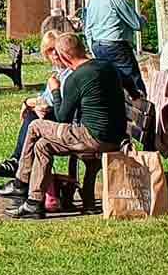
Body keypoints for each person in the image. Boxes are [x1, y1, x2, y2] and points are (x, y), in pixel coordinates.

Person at [9, 30, 126, 218]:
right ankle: (34, 202)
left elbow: (63, 117)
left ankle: (20, 182)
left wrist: (55, 91)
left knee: (35, 126)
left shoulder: (76, 77)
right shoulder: (107, 66)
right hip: (115, 136)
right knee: (42, 145)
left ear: (64, 56)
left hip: (92, 137)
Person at [0, 19, 73, 198]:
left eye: (56, 50)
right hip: (57, 115)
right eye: (50, 51)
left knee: (33, 121)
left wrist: (37, 104)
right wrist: (30, 102)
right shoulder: (58, 73)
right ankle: (19, 169)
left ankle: (17, 168)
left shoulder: (68, 74)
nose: (54, 55)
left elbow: (61, 102)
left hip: (68, 123)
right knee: (32, 117)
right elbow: (45, 97)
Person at [81, 0, 146, 96]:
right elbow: (136, 24)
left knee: (110, 84)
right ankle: (143, 110)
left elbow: (88, 26)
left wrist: (91, 46)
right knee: (133, 82)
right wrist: (143, 19)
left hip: (97, 44)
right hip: (116, 45)